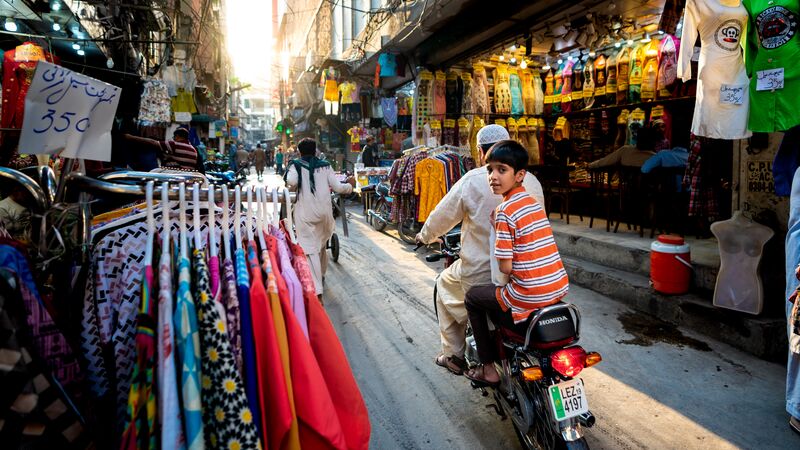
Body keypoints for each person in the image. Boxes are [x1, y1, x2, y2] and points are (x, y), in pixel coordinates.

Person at [415, 124, 544, 375]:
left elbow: (442, 216)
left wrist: (425, 235)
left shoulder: (474, 180)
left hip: (485, 271)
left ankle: (455, 355)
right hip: (531, 271)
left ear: (479, 152)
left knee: (445, 283)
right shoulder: (532, 181)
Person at [463, 140, 569, 385]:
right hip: (557, 289)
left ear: (520, 175)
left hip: (527, 296)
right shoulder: (533, 204)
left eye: (502, 169)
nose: (493, 176)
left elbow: (506, 269)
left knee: (473, 297)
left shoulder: (505, 211)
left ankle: (488, 368)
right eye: (489, 169)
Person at [286, 138, 355, 301]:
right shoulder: (325, 165)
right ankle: (321, 275)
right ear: (315, 150)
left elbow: (291, 182)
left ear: (299, 152)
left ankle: (317, 291)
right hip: (325, 213)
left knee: (311, 251)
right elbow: (338, 188)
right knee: (321, 245)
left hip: (306, 214)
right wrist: (350, 185)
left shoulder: (295, 164)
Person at [123, 127, 204, 173]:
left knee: (153, 173)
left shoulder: (175, 145)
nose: (174, 139)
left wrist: (130, 137)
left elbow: (153, 143)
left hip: (176, 177)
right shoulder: (193, 149)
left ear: (177, 136)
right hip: (186, 177)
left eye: (174, 137)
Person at [588, 127, 657, 169]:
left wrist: (589, 165)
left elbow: (605, 161)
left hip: (626, 191)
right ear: (653, 142)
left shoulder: (625, 150)